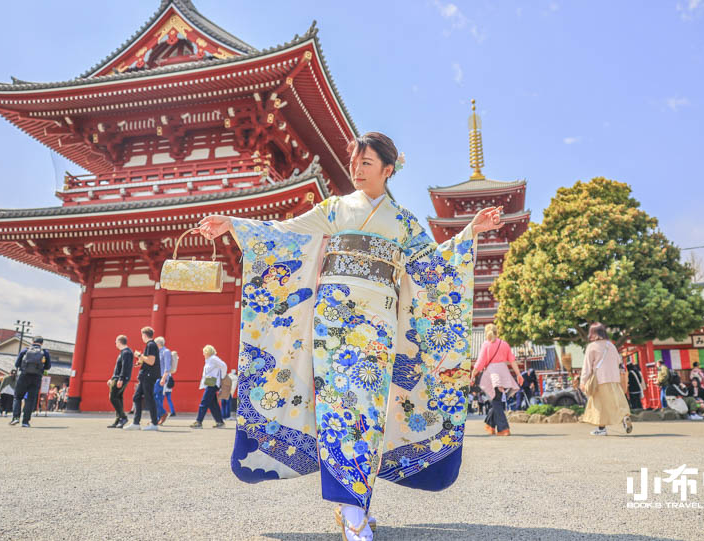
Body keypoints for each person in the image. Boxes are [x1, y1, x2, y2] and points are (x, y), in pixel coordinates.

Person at [196, 131, 501, 541]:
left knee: (368, 413)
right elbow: (284, 232)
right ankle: (352, 511)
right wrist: (233, 223)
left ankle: (355, 506)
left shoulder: (404, 222)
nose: (357, 169)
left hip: (378, 328)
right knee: (342, 408)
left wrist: (468, 233)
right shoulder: (336, 209)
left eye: (367, 163)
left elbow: (435, 266)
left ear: (388, 170)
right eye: (354, 162)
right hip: (333, 327)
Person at [580, 322, 632, 436]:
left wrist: (583, 381)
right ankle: (624, 417)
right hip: (614, 379)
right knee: (616, 401)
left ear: (592, 333)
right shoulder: (611, 345)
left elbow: (587, 366)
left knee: (599, 405)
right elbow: (618, 361)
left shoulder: (592, 347)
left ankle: (601, 429)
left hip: (600, 380)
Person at [470, 323, 521, 436]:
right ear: (497, 332)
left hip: (492, 375)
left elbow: (480, 362)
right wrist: (518, 374)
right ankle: (490, 425)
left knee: (496, 401)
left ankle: (504, 428)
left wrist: (473, 375)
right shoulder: (504, 344)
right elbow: (512, 360)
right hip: (504, 374)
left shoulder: (486, 345)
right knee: (496, 400)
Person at [124, 327, 161, 431]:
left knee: (149, 398)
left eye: (142, 335)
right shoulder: (151, 345)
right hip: (146, 375)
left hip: (148, 376)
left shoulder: (151, 345)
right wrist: (140, 361)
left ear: (144, 335)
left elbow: (151, 361)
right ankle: (136, 423)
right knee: (136, 397)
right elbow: (148, 360)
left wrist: (139, 355)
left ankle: (154, 423)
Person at [10, 336, 51, 428]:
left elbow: (16, 364)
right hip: (36, 377)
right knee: (30, 399)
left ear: (32, 341)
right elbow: (48, 366)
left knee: (18, 397)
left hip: (24, 376)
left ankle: (16, 417)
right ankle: (25, 421)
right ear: (42, 343)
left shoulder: (25, 350)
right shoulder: (45, 352)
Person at [190, 345, 227, 429]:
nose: (203, 354)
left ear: (207, 352)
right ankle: (220, 422)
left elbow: (223, 365)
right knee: (212, 404)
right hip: (210, 382)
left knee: (204, 402)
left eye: (204, 352)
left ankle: (199, 421)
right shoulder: (209, 360)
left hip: (213, 383)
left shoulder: (213, 358)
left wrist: (222, 377)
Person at [108, 335, 134, 428]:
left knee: (113, 397)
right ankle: (118, 420)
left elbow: (125, 367)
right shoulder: (124, 352)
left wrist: (121, 379)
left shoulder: (126, 352)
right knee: (118, 398)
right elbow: (118, 368)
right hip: (117, 378)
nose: (115, 344)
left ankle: (123, 417)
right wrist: (112, 378)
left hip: (120, 378)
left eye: (116, 342)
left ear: (119, 342)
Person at [154, 336, 173, 425]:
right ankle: (157, 418)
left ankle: (163, 413)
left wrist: (164, 378)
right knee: (159, 397)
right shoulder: (157, 352)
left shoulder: (166, 352)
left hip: (162, 377)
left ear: (158, 344)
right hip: (156, 376)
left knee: (154, 396)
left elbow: (167, 367)